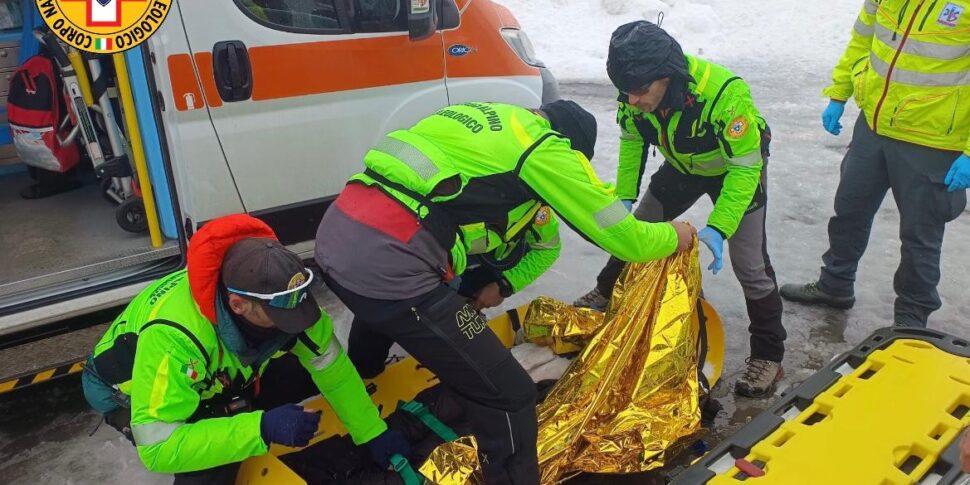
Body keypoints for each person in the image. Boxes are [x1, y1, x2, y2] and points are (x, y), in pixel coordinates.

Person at [315, 99, 694, 484]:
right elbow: (628, 241)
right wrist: (672, 235)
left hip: (337, 242)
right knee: (510, 394)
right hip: (392, 269)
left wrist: (499, 284)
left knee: (385, 308)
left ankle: (367, 378)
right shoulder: (544, 149)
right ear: (569, 147)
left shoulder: (488, 118)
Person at [81, 214, 409, 484]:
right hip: (130, 391)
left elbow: (331, 368)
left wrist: (371, 433)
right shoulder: (175, 339)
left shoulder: (282, 296)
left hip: (224, 370)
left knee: (309, 378)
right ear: (238, 305)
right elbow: (158, 446)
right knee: (211, 467)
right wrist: (259, 427)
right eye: (281, 315)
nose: (296, 321)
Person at [571, 21, 786, 398]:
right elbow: (633, 140)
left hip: (734, 171)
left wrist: (720, 226)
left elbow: (746, 167)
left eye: (639, 91)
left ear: (667, 77)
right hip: (683, 166)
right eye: (625, 92)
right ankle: (604, 292)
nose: (632, 100)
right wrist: (624, 195)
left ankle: (769, 355)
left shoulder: (724, 94)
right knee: (635, 230)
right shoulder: (634, 93)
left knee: (749, 263)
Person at [780, 0, 969, 327]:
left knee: (920, 235)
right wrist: (839, 93)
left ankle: (911, 320)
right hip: (874, 125)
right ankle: (835, 284)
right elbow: (862, 40)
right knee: (849, 210)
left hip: (933, 139)